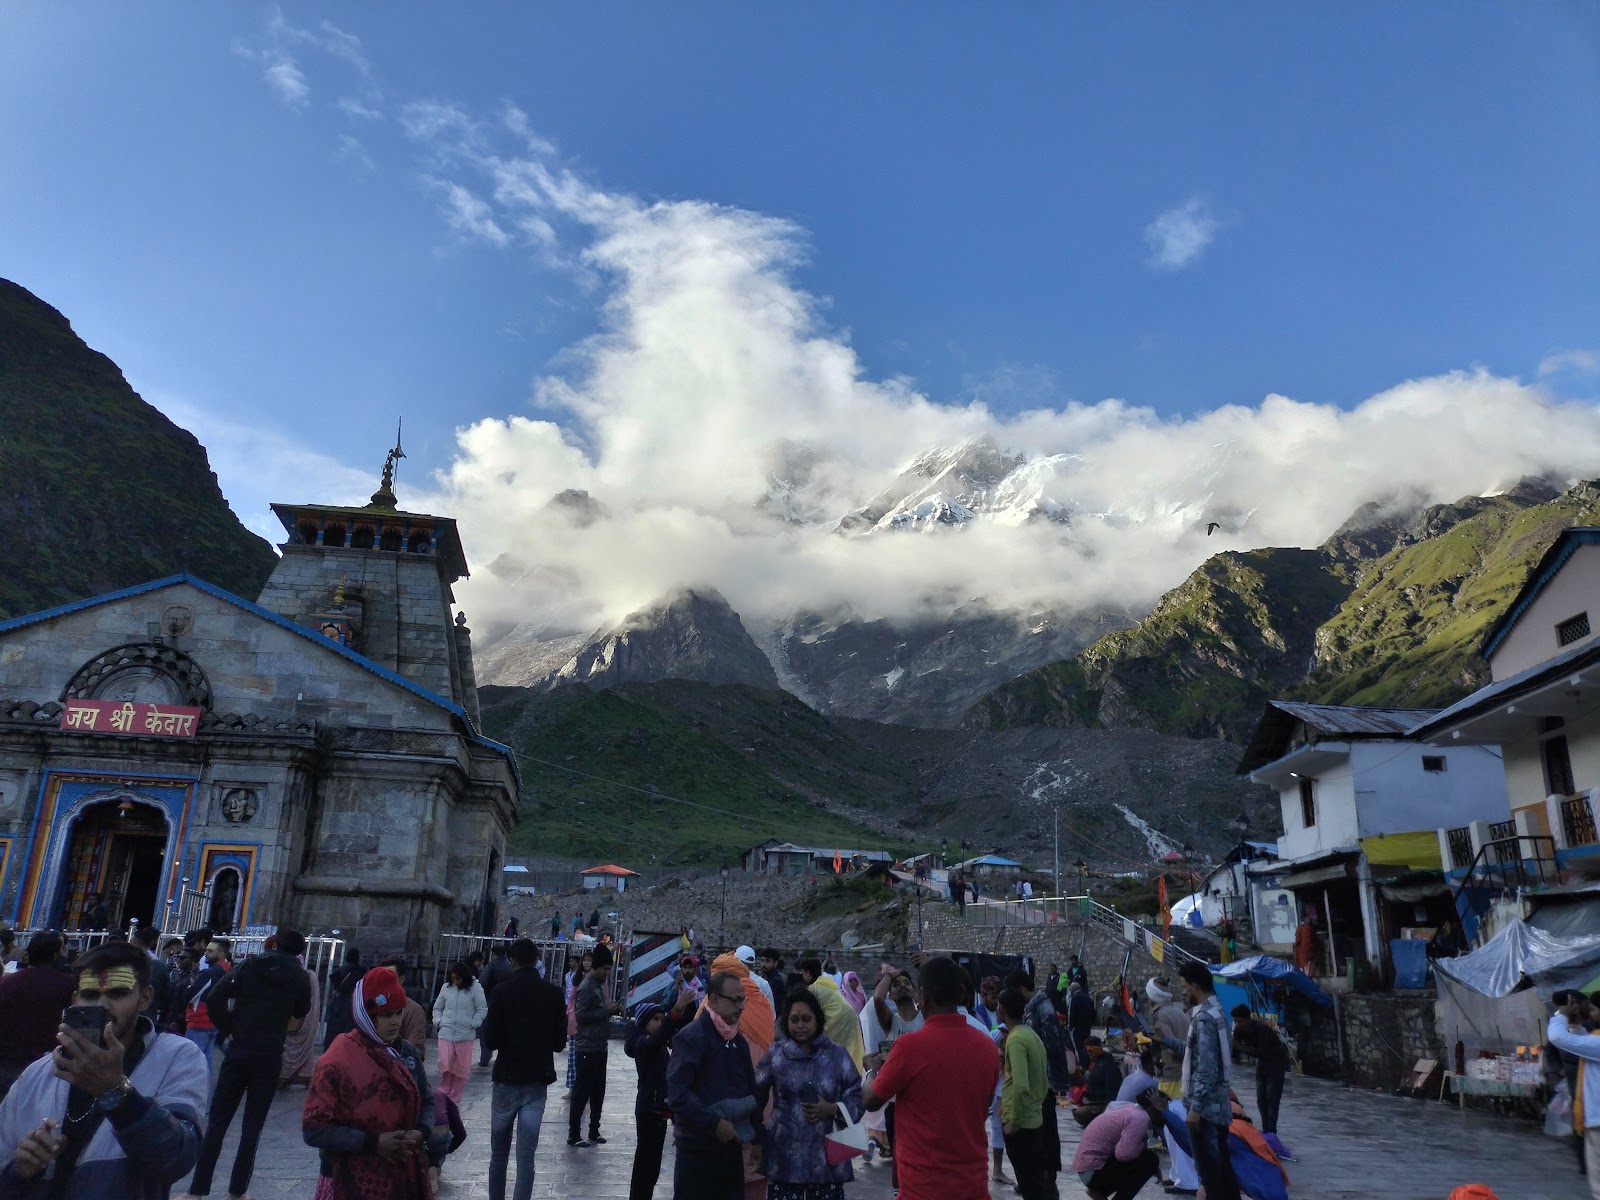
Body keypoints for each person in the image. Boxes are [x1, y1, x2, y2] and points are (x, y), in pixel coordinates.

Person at [0, 939, 209, 1198]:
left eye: (117, 993)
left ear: (145, 998)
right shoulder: (39, 1073)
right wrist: (19, 1170)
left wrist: (116, 1092)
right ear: (75, 1000)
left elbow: (177, 1158)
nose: (102, 1006)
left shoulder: (177, 1058)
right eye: (90, 995)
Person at [180, 928, 314, 1200]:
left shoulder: (250, 965)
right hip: (269, 1054)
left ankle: (196, 1192)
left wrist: (229, 1027)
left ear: (275, 944)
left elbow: (215, 996)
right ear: (299, 952)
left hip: (239, 1049)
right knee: (252, 1128)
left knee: (217, 1122)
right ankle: (237, 1192)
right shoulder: (299, 976)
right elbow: (301, 1010)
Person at [863, 956, 1000, 1200]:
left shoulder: (909, 1047)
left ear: (921, 996)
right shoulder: (988, 1047)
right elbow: (983, 1106)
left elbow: (871, 1100)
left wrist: (872, 1069)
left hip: (922, 1189)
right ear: (960, 993)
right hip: (973, 1186)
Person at [303, 965, 442, 1199]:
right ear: (367, 1015)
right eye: (387, 1015)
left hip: (402, 1178)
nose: (395, 1022)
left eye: (399, 1013)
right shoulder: (337, 1060)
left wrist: (420, 1131)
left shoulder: (405, 1053)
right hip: (347, 1180)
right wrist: (373, 1142)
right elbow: (314, 1129)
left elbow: (426, 1100)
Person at [756, 987, 866, 1199]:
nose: (800, 1025)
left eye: (806, 1019)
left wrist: (832, 1109)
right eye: (794, 1019)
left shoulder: (837, 1055)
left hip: (826, 1161)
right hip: (784, 1159)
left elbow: (856, 1096)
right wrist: (758, 1134)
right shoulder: (776, 1055)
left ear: (818, 1020)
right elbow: (756, 1093)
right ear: (786, 1022)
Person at [481, 937, 567, 1200]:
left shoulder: (502, 992)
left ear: (512, 960)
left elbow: (491, 1039)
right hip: (535, 1083)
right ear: (536, 960)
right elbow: (559, 1043)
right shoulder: (553, 994)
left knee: (499, 1154)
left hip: (507, 1078)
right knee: (526, 1158)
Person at [666, 970, 765, 1199]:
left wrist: (758, 1137)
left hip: (731, 1149)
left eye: (743, 1000)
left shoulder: (737, 1042)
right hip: (697, 1151)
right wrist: (713, 1123)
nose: (741, 1007)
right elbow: (678, 1094)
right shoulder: (691, 1037)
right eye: (735, 1000)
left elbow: (751, 1092)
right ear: (714, 1000)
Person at [625, 991, 696, 1200]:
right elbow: (658, 1037)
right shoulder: (643, 1044)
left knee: (652, 1165)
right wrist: (675, 1012)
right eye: (655, 1019)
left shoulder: (655, 1045)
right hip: (649, 1109)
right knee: (645, 1165)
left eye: (660, 1018)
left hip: (658, 1108)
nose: (659, 1022)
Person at [1178, 960, 1239, 1200]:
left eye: (1184, 986)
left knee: (1212, 1177)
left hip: (1206, 1111)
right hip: (1218, 1106)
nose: (1183, 992)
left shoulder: (1204, 1019)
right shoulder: (1218, 1011)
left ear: (1194, 986)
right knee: (1223, 1173)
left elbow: (1206, 1066)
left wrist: (1196, 1108)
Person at [1005, 968, 1071, 1181]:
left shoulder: (1044, 1008)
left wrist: (1025, 1050)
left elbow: (1052, 1045)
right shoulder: (1032, 1010)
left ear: (1022, 989)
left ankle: (1046, 1178)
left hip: (1046, 1081)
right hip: (1039, 1079)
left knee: (1046, 1133)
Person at [0, 933, 75, 1102]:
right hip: (41, 1063)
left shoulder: (7, 982)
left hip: (6, 1060)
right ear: (56, 955)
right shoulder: (65, 984)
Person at [997, 985, 1052, 1200]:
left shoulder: (1016, 1039)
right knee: (1033, 1184)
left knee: (1029, 1186)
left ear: (1001, 1010)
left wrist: (1013, 1123)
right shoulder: (1031, 1035)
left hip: (1021, 1123)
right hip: (1034, 1119)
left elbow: (1020, 1085)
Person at [569, 942, 622, 1147]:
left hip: (599, 1045)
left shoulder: (597, 986)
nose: (607, 973)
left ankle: (594, 1129)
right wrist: (606, 1011)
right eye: (605, 969)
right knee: (582, 1091)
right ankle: (574, 1133)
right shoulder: (587, 986)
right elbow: (581, 1016)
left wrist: (612, 1010)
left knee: (598, 1090)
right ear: (596, 968)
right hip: (587, 1046)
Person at [1072, 1087, 1167, 1200]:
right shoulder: (1139, 1118)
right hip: (1093, 1171)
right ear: (1152, 1109)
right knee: (1150, 1159)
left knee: (1146, 1158)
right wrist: (1144, 1152)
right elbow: (1123, 1154)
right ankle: (1099, 1191)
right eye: (1163, 1111)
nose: (1165, 1116)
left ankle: (1097, 1191)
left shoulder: (1132, 1110)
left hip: (1087, 1169)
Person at [1231, 1005, 1289, 1143]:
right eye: (1236, 1022)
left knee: (1272, 1098)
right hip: (1263, 1064)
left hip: (1275, 1063)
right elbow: (1236, 1052)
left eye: (1240, 1021)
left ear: (1247, 1020)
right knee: (1261, 1099)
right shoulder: (1239, 1031)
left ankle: (1271, 1132)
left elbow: (1260, 1052)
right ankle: (1266, 1129)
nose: (1238, 1025)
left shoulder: (1262, 1029)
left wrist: (1240, 1047)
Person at [432, 962, 487, 1105]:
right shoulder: (446, 987)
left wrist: (473, 1023)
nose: (455, 981)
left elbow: (482, 1008)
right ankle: (443, 1091)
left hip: (465, 1034)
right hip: (446, 1031)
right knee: (445, 1062)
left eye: (458, 978)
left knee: (461, 1067)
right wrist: (438, 1021)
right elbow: (437, 1007)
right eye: (453, 978)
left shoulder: (475, 988)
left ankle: (455, 1096)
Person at [183, 939, 232, 1079]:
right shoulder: (228, 972)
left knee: (193, 1062)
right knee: (207, 1060)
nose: (206, 954)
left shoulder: (209, 973)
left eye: (211, 951)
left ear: (221, 953)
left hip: (199, 1019)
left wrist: (189, 987)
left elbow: (190, 995)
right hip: (214, 1022)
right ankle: (205, 1094)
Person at [278, 945, 322, 1088]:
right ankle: (304, 1076)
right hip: (308, 1018)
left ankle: (284, 1077)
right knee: (305, 1047)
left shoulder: (296, 975)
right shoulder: (312, 975)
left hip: (296, 1016)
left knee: (288, 1046)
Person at [1146, 976, 1189, 1099]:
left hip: (1171, 1080)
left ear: (1151, 998)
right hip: (1185, 1077)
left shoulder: (1160, 1016)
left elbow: (1171, 1046)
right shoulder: (1180, 1012)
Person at [1073, 1035, 1125, 1127]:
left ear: (1093, 1052)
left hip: (1105, 1103)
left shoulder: (1106, 1064)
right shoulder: (1098, 1062)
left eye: (1089, 1053)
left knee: (1080, 1113)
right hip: (1096, 1099)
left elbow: (1111, 1089)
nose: (1089, 1056)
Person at [479, 944, 515, 1067]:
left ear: (494, 953)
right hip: (509, 1002)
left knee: (486, 1029)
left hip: (492, 1000)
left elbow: (483, 982)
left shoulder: (492, 965)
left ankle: (485, 1058)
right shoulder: (511, 966)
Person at [322, 947, 363, 1051]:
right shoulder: (362, 971)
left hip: (338, 1004)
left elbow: (334, 983)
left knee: (333, 1034)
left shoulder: (340, 970)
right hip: (354, 1003)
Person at [1067, 978, 1096, 1067]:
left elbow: (1072, 1013)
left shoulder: (1074, 999)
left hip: (1077, 1028)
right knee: (1087, 1045)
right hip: (1087, 1027)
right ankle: (1089, 1062)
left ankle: (1083, 1065)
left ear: (1072, 991)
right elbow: (1094, 1013)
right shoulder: (1088, 998)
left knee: (1079, 1047)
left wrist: (1071, 1026)